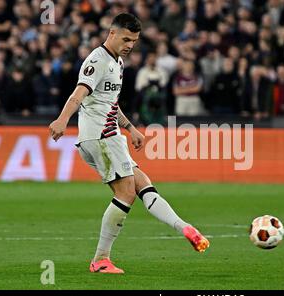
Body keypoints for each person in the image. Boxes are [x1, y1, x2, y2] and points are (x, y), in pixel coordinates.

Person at [49, 13, 209, 274]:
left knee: (143, 183)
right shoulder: (97, 60)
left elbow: (110, 102)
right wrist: (62, 119)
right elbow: (79, 93)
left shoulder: (118, 62)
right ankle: (101, 259)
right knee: (125, 193)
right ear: (111, 33)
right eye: (125, 39)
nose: (129, 45)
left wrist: (131, 128)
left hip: (111, 135)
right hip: (100, 136)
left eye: (133, 41)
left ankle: (185, 228)